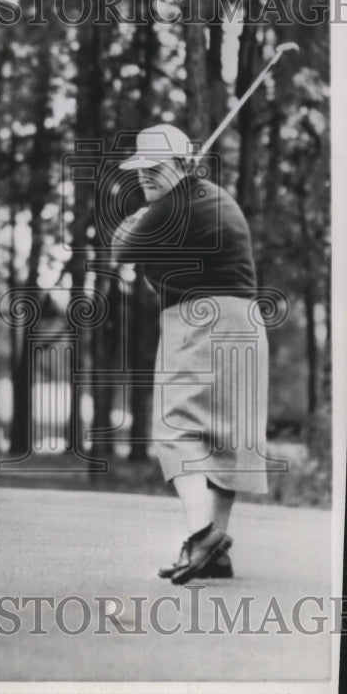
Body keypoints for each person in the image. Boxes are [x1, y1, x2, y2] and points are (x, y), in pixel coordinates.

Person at [115, 123, 268, 584]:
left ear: (183, 165)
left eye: (155, 167)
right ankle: (215, 552)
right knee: (226, 438)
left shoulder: (171, 205)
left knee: (177, 429)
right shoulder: (211, 199)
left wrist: (132, 223)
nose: (145, 176)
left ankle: (203, 535)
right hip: (244, 323)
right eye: (140, 169)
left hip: (203, 321)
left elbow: (121, 250)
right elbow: (154, 271)